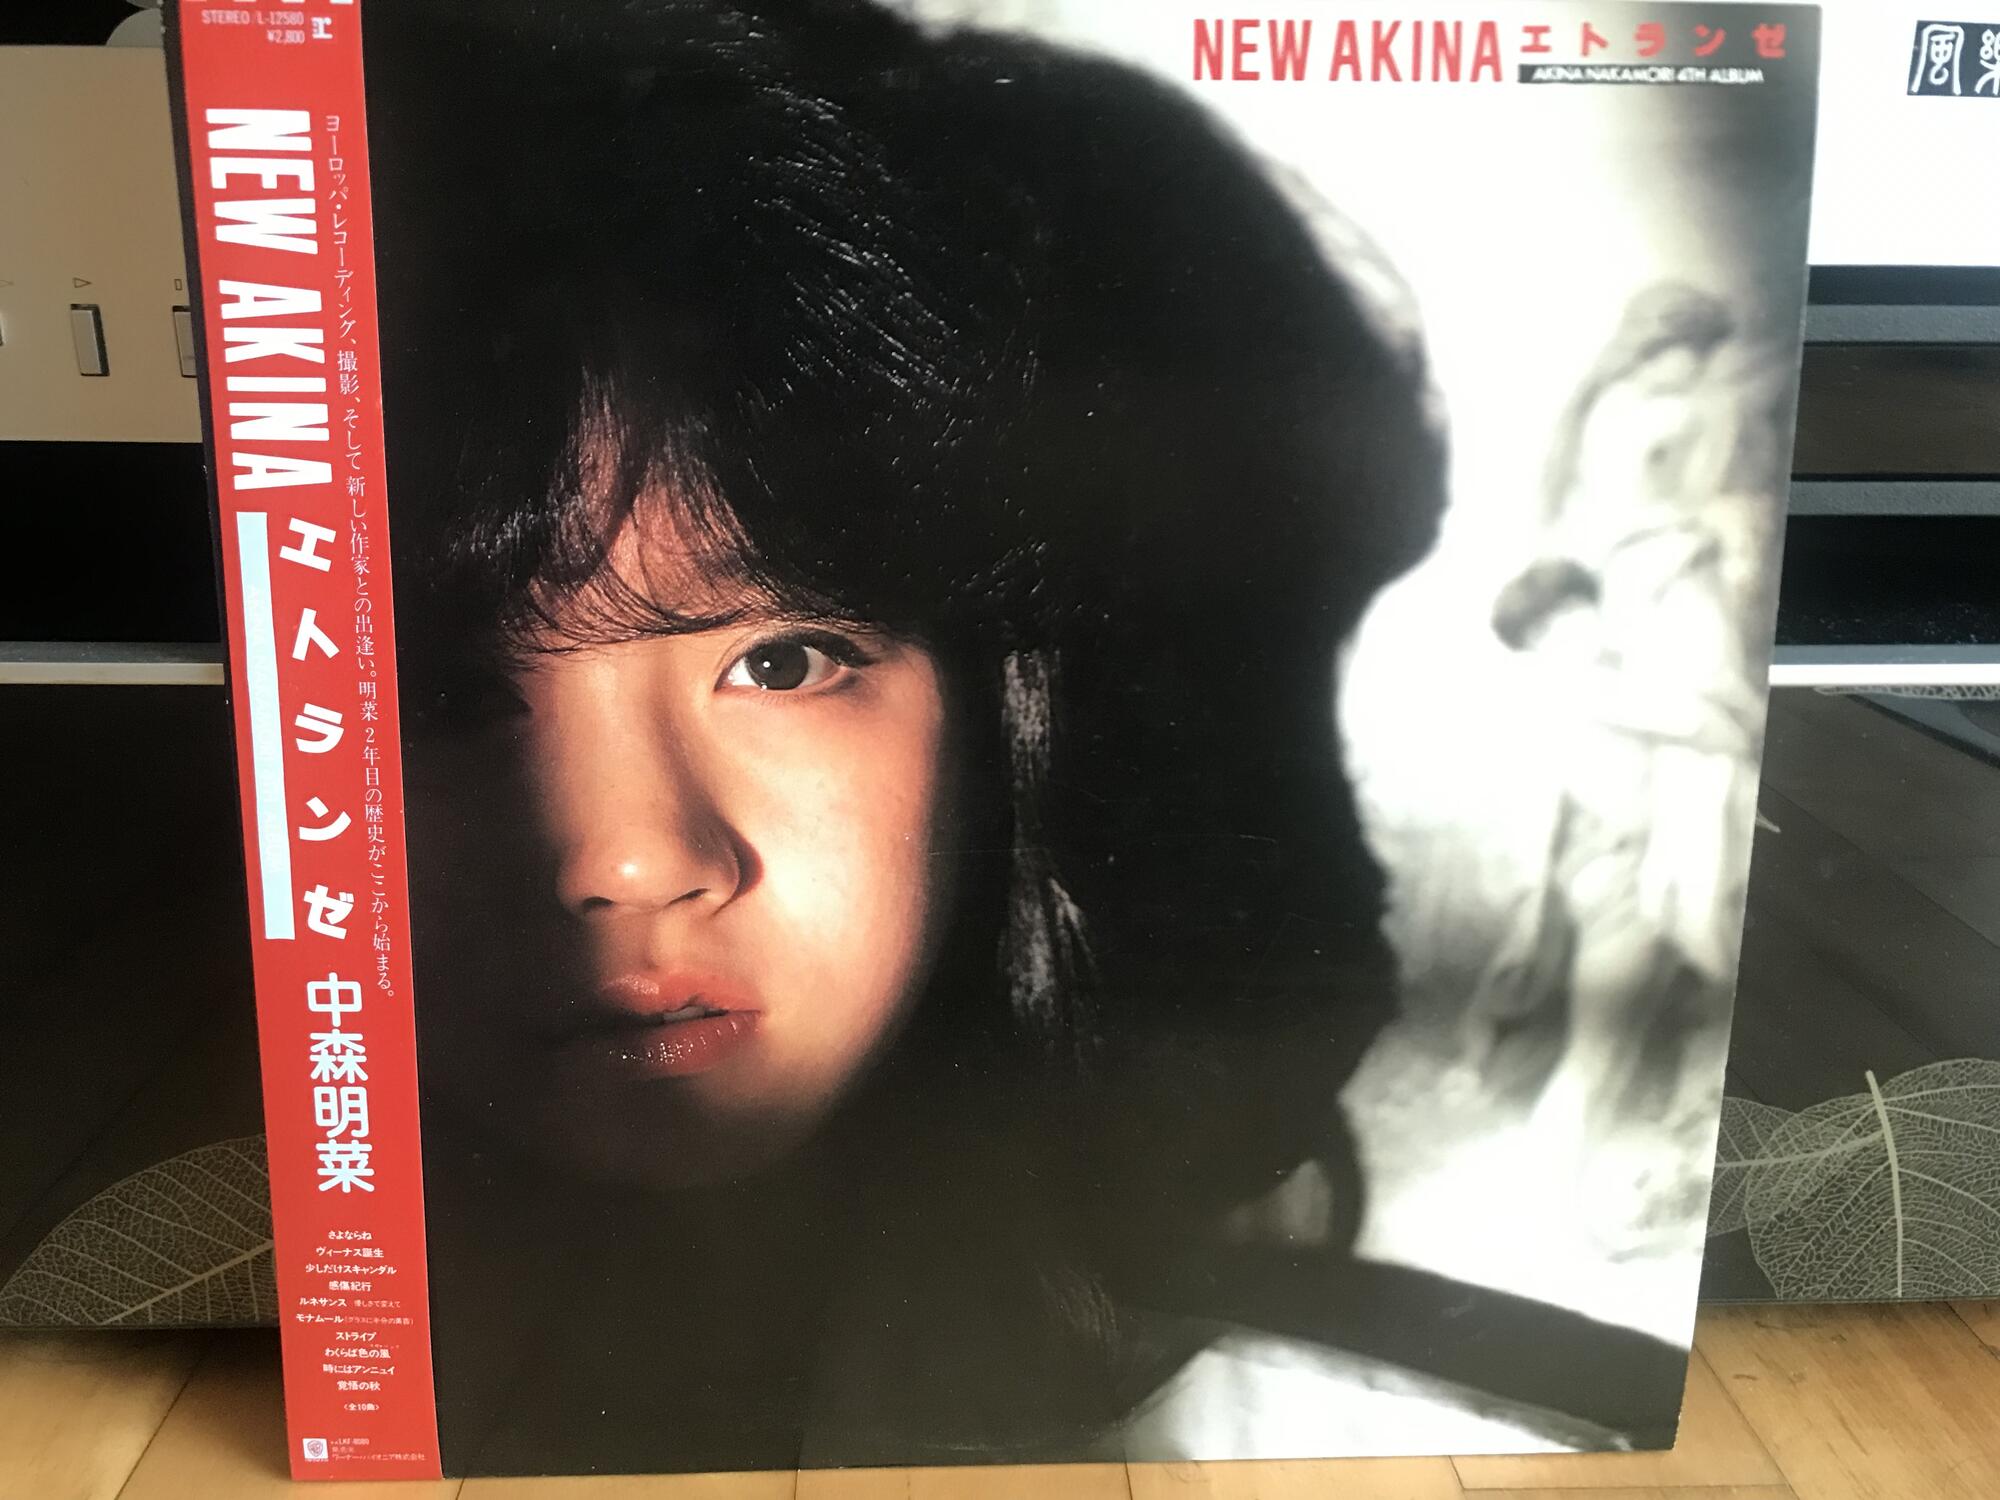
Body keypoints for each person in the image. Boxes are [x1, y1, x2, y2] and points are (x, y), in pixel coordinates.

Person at [367, 0, 1681, 1471]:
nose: (623, 861)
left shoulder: (1403, 1423)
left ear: (1005, 715)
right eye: (448, 698)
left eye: (781, 660)